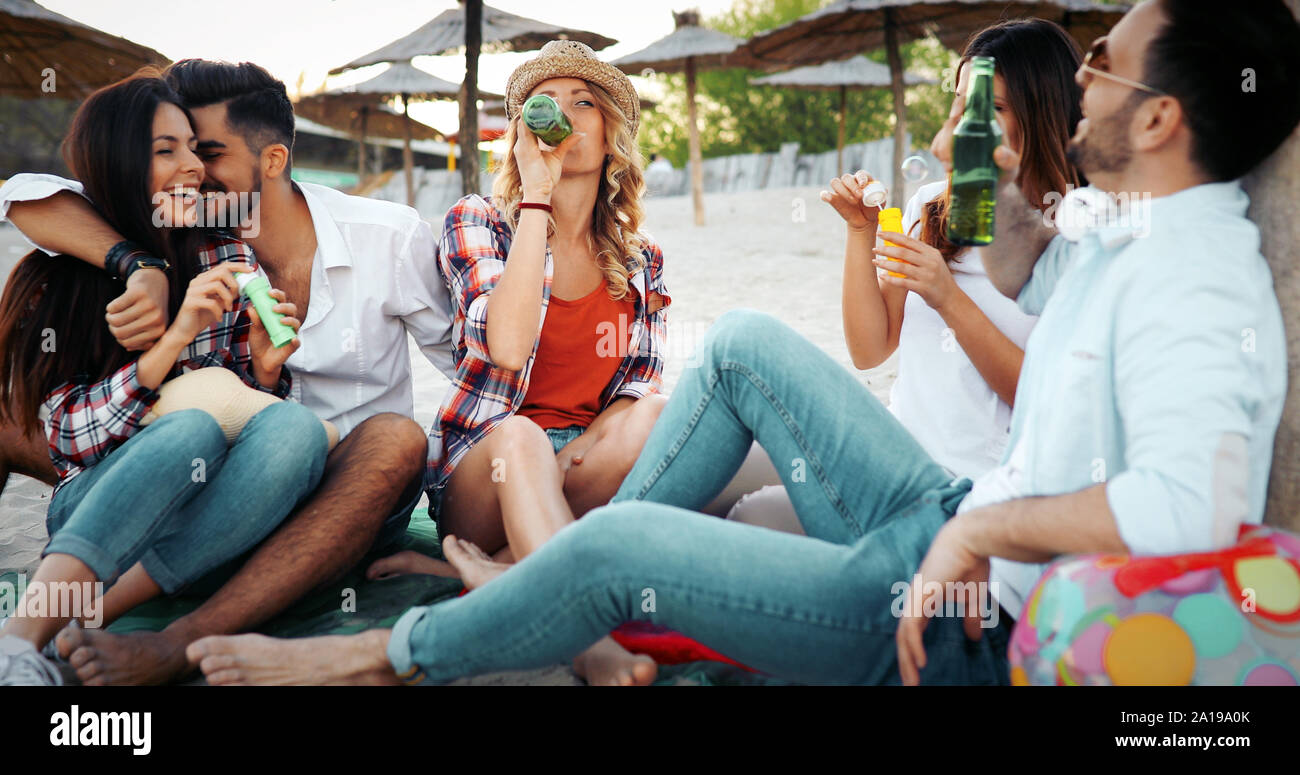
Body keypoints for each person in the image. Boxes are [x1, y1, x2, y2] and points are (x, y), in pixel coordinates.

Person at [186, 0, 1300, 686]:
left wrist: (980, 536)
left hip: (969, 612)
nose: (1083, 73)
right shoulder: (1123, 228)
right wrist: (927, 213)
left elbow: (1188, 511)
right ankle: (547, 570)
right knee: (748, 343)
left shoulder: (1188, 272)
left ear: (1159, 120)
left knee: (619, 552)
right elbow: (984, 253)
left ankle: (383, 654)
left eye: (1103, 57)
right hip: (943, 507)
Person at [0, 59, 454, 685]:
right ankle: (31, 631)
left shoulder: (263, 248)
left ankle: (140, 628)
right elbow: (19, 192)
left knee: (336, 432)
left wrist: (265, 377)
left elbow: (465, 362)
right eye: (174, 148)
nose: (194, 167)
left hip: (300, 491)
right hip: (159, 488)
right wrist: (139, 268)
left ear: (269, 162)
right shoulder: (101, 250)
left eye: (205, 150)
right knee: (188, 434)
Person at [363, 40, 673, 686]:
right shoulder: (478, 221)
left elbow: (636, 384)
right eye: (545, 104)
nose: (562, 113)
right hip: (488, 459)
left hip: (579, 458)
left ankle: (491, 566)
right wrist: (537, 197)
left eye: (583, 102)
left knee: (659, 416)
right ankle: (584, 635)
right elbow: (505, 346)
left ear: (612, 135)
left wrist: (580, 453)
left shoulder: (642, 259)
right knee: (522, 436)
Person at [731, 18, 1084, 531]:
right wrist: (860, 232)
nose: (960, 128)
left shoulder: (1073, 237)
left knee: (753, 514)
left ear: (1044, 112)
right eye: (959, 106)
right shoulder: (931, 207)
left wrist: (948, 298)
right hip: (892, 442)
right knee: (728, 469)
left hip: (958, 484)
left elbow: (1042, 397)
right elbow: (870, 349)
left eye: (992, 109)